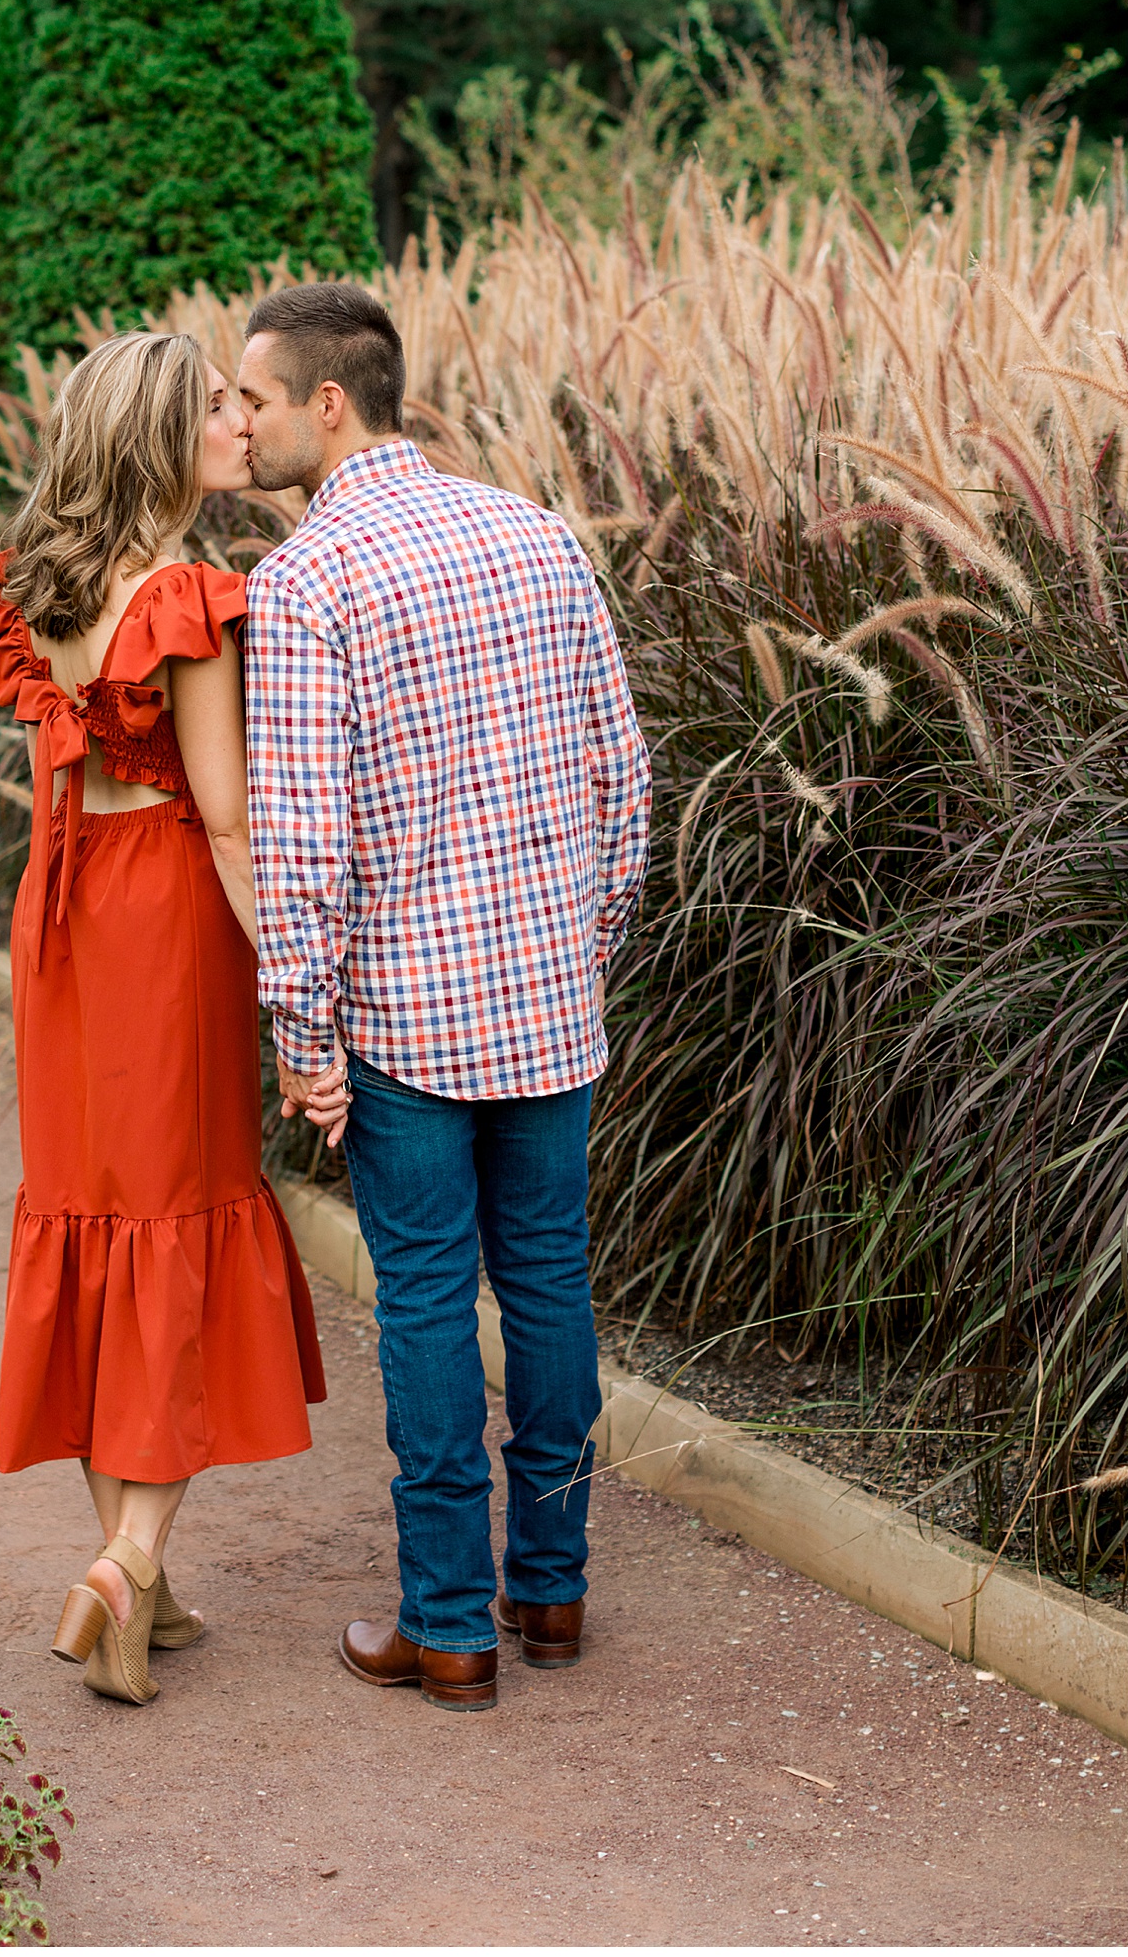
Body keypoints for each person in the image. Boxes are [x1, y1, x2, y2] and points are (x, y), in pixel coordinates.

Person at [238, 282, 651, 1714]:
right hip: (548, 1004)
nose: (243, 425)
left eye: (256, 400)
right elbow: (624, 779)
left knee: (423, 1302)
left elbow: (304, 839)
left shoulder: (307, 581)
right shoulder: (539, 536)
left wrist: (304, 1033)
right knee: (548, 1280)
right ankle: (552, 1591)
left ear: (327, 402)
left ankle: (450, 1624)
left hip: (406, 1025)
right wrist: (578, 951)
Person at [0, 330, 326, 1707]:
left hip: (61, 914)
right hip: (166, 917)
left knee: (91, 1220)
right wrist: (298, 981)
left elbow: (55, 771)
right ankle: (125, 1561)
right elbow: (225, 820)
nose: (239, 421)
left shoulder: (39, 585)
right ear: (164, 439)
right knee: (176, 1215)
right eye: (215, 406)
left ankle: (141, 1595)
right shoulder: (187, 597)